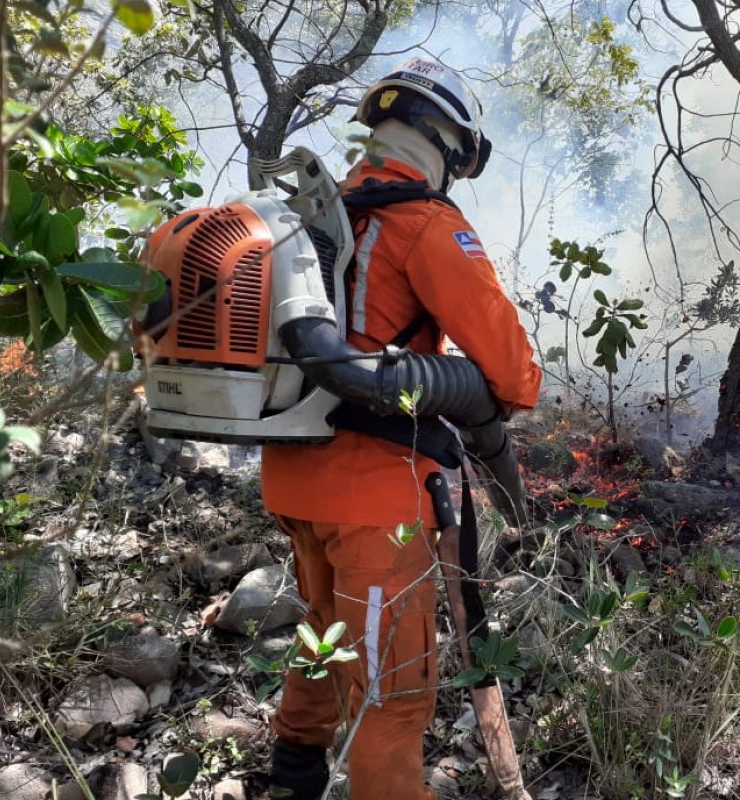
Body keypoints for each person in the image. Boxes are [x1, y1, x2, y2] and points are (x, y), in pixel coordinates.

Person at [261, 57, 543, 800]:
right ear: (446, 142)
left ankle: (293, 773)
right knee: (393, 697)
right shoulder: (423, 223)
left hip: (294, 481)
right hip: (377, 501)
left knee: (324, 629)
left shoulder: (307, 218)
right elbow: (515, 378)